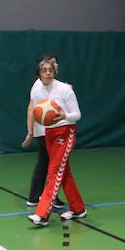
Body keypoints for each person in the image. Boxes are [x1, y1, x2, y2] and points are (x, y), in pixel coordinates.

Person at [27, 56, 87, 226]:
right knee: (64, 172)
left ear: (55, 72)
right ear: (38, 73)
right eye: (44, 70)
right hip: (49, 133)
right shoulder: (37, 89)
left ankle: (42, 214)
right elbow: (34, 110)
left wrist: (65, 116)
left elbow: (77, 114)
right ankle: (78, 209)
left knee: (54, 172)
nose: (48, 73)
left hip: (65, 132)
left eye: (50, 70)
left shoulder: (65, 90)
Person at [21, 53, 64, 210]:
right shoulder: (40, 86)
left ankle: (35, 197)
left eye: (54, 66)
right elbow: (31, 109)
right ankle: (47, 197)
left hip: (50, 131)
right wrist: (30, 132)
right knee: (54, 165)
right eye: (50, 65)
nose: (52, 68)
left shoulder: (55, 85)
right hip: (47, 132)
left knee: (45, 163)